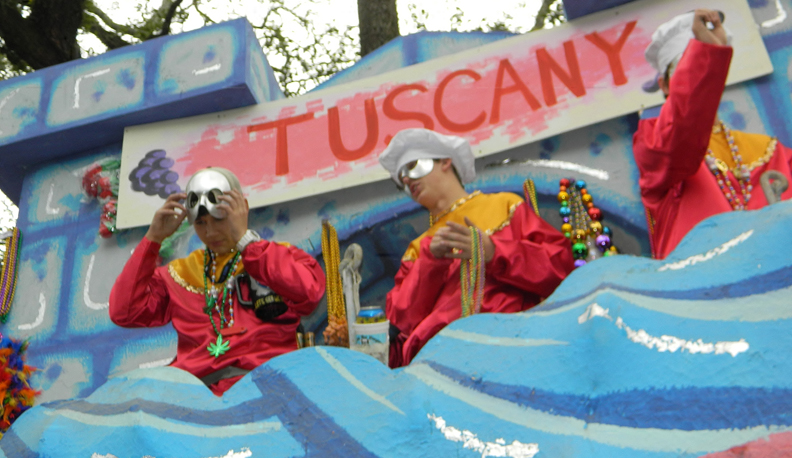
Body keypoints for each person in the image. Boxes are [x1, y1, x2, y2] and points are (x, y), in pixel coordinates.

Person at [109, 167, 325, 395]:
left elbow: (309, 293)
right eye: (201, 223)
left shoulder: (277, 258)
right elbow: (124, 311)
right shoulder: (179, 273)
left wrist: (247, 243)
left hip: (265, 391)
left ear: (241, 209)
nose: (210, 232)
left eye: (219, 218)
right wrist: (153, 238)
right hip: (194, 397)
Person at [378, 129, 574, 367]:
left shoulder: (504, 206)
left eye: (412, 166)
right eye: (401, 180)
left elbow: (561, 267)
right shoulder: (418, 249)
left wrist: (493, 252)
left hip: (512, 348)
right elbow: (403, 320)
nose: (407, 181)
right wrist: (431, 262)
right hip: (440, 363)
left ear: (445, 161)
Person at [633, 9, 792, 259]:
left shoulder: (774, 153)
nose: (697, 76)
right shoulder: (655, 147)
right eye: (685, 68)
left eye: (699, 65)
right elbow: (680, 130)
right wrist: (708, 54)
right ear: (664, 84)